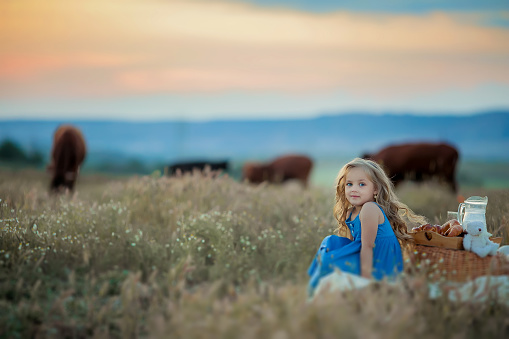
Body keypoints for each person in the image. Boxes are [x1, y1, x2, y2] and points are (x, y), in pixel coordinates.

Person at [307, 158, 426, 295]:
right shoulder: (350, 212)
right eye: (349, 184)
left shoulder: (370, 209)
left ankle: (317, 291)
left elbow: (368, 246)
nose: (354, 189)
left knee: (330, 260)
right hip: (364, 254)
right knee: (330, 243)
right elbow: (354, 244)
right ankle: (316, 287)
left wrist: (364, 281)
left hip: (379, 262)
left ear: (375, 189)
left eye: (362, 184)